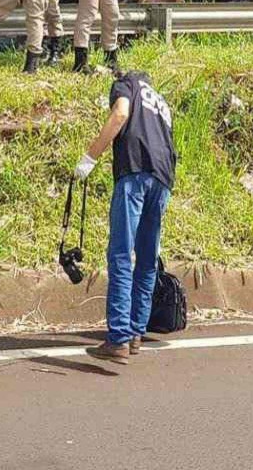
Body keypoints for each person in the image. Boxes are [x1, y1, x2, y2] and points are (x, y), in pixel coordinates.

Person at [74, 70, 176, 364]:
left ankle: (117, 337)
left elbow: (119, 115)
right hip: (163, 178)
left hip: (134, 171)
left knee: (120, 253)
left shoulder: (127, 83)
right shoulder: (161, 102)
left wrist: (90, 158)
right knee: (146, 258)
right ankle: (135, 332)